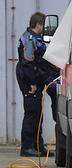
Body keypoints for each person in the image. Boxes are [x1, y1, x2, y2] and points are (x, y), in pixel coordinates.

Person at [16, 12, 48, 157]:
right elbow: (28, 63)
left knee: (38, 112)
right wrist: (33, 83)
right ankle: (27, 147)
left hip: (34, 77)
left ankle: (37, 145)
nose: (45, 28)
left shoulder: (36, 38)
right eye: (43, 25)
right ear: (38, 24)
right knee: (32, 112)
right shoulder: (29, 39)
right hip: (29, 80)